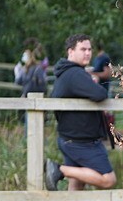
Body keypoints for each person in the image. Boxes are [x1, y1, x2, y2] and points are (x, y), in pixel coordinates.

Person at [45, 34, 116, 191]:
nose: (88, 53)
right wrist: (93, 82)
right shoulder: (75, 74)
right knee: (108, 179)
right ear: (71, 51)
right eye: (83, 49)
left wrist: (91, 80)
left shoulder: (70, 73)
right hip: (81, 142)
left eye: (89, 49)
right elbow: (100, 94)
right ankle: (59, 170)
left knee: (77, 185)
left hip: (71, 138)